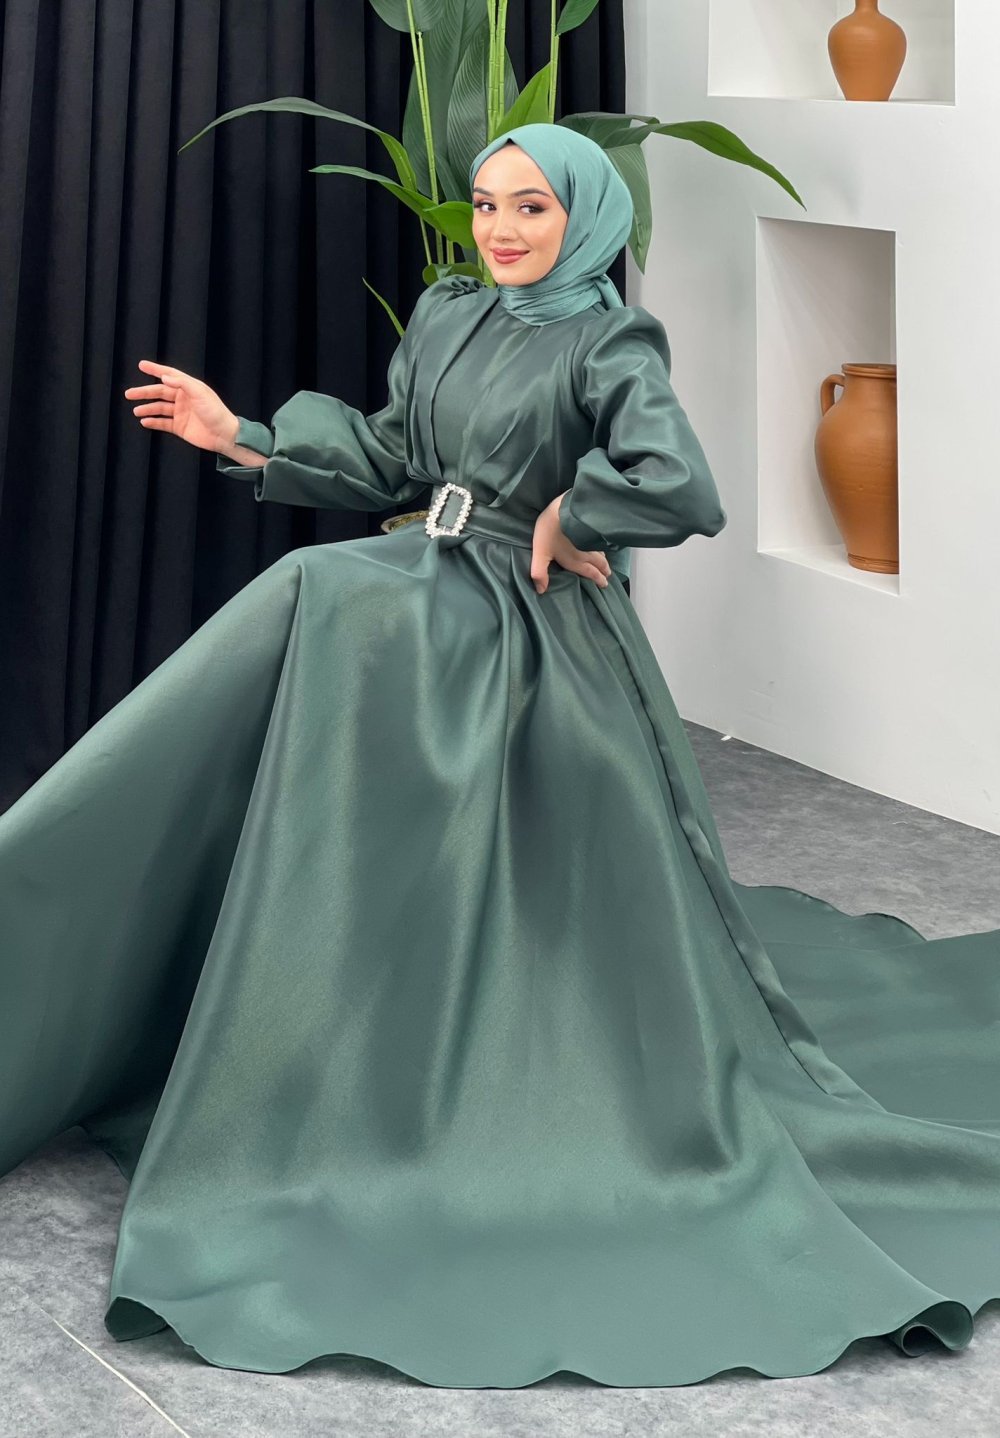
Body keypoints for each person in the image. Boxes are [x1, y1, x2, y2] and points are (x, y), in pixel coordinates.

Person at [0, 122, 998, 1390]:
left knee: (321, 592)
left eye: (532, 208)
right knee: (324, 595)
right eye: (485, 205)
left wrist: (578, 507)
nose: (502, 230)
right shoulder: (450, 315)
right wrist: (238, 431)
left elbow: (681, 485)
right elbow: (391, 458)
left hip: (532, 626)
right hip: (424, 584)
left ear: (581, 217)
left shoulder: (607, 338)